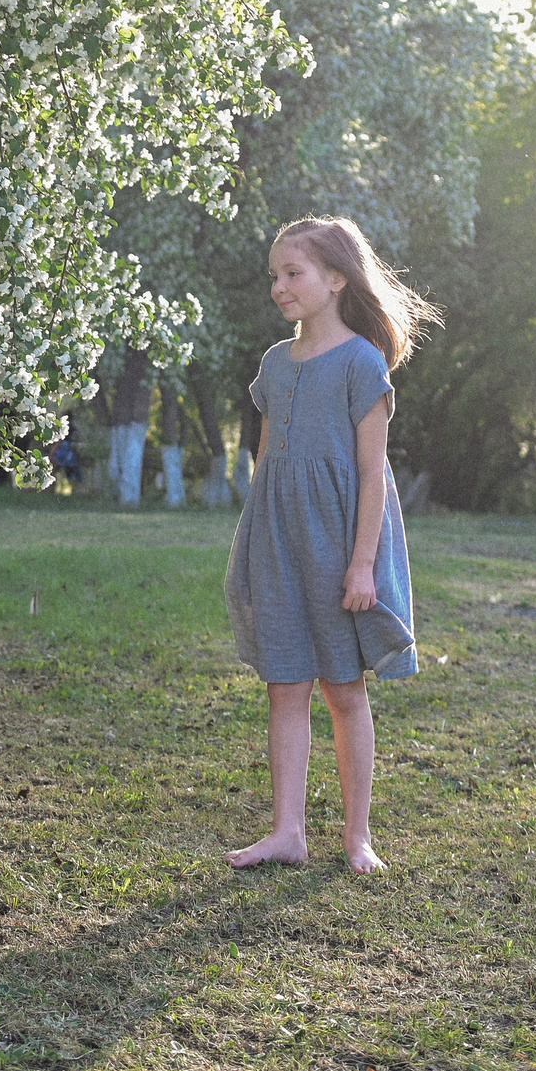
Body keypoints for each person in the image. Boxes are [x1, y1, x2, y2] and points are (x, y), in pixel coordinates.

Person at [224, 216, 440, 874]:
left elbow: (373, 475)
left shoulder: (360, 363)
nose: (280, 287)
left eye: (294, 274)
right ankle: (287, 832)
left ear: (336, 280)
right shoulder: (274, 364)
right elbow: (267, 465)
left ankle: (357, 838)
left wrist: (362, 565)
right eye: (275, 276)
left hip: (340, 544)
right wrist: (257, 545)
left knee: (343, 690)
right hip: (280, 543)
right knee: (284, 686)